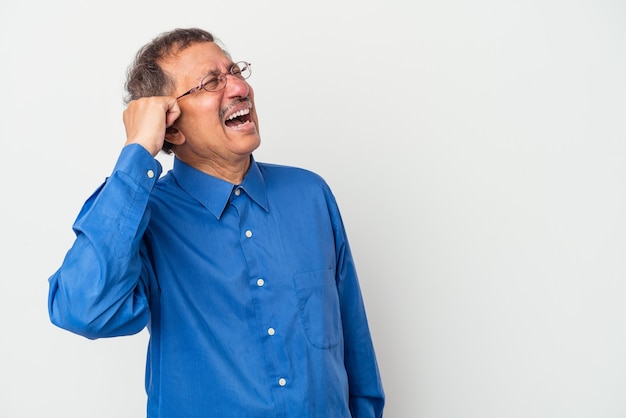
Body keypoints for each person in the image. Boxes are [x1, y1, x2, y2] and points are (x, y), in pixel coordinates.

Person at [47, 27, 384, 417]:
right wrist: (137, 151)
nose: (239, 87)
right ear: (171, 126)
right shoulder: (145, 217)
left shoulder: (309, 194)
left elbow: (355, 350)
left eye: (235, 71)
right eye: (211, 82)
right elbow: (83, 310)